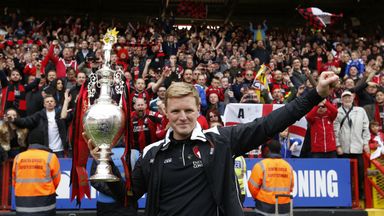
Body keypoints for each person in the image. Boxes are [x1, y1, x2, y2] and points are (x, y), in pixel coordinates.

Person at [86, 71, 337, 215]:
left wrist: (315, 94)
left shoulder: (221, 141)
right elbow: (128, 195)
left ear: (198, 109)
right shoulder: (152, 154)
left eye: (188, 110)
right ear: (165, 111)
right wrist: (104, 164)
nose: (182, 117)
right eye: (175, 112)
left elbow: (270, 124)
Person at [333, 89, 370, 198]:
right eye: (345, 97)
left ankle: (360, 192)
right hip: (344, 147)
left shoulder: (360, 110)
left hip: (357, 146)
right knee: (345, 173)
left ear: (353, 98)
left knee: (360, 171)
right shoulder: (337, 112)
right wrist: (338, 145)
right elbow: (335, 130)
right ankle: (346, 194)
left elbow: (365, 128)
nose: (347, 99)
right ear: (342, 99)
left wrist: (366, 143)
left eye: (349, 97)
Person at [12, 91, 72, 157]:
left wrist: (66, 102)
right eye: (47, 101)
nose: (49, 103)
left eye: (51, 101)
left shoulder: (61, 113)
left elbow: (67, 117)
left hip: (60, 149)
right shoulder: (39, 115)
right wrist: (14, 120)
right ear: (44, 105)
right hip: (45, 149)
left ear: (55, 104)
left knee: (60, 167)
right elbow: (26, 121)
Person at [12, 141, 61, 215]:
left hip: (23, 205)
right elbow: (56, 180)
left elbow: (14, 180)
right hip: (46, 205)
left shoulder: (18, 157)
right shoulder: (50, 157)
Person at [248, 140, 294, 215]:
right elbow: (291, 187)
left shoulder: (260, 165)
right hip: (284, 208)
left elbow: (252, 186)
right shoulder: (288, 167)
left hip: (264, 208)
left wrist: (259, 198)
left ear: (268, 150)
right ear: (280, 150)